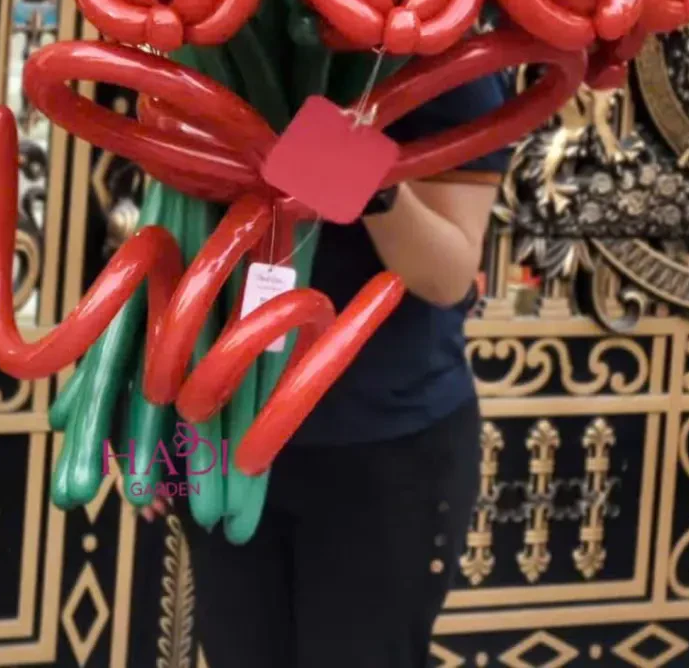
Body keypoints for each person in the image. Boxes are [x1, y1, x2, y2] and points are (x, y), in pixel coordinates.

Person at [145, 73, 507, 668]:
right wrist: (146, 419)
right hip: (223, 434)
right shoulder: (211, 53)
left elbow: (446, 276)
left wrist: (355, 170)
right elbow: (172, 238)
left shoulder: (446, 70)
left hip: (380, 449)